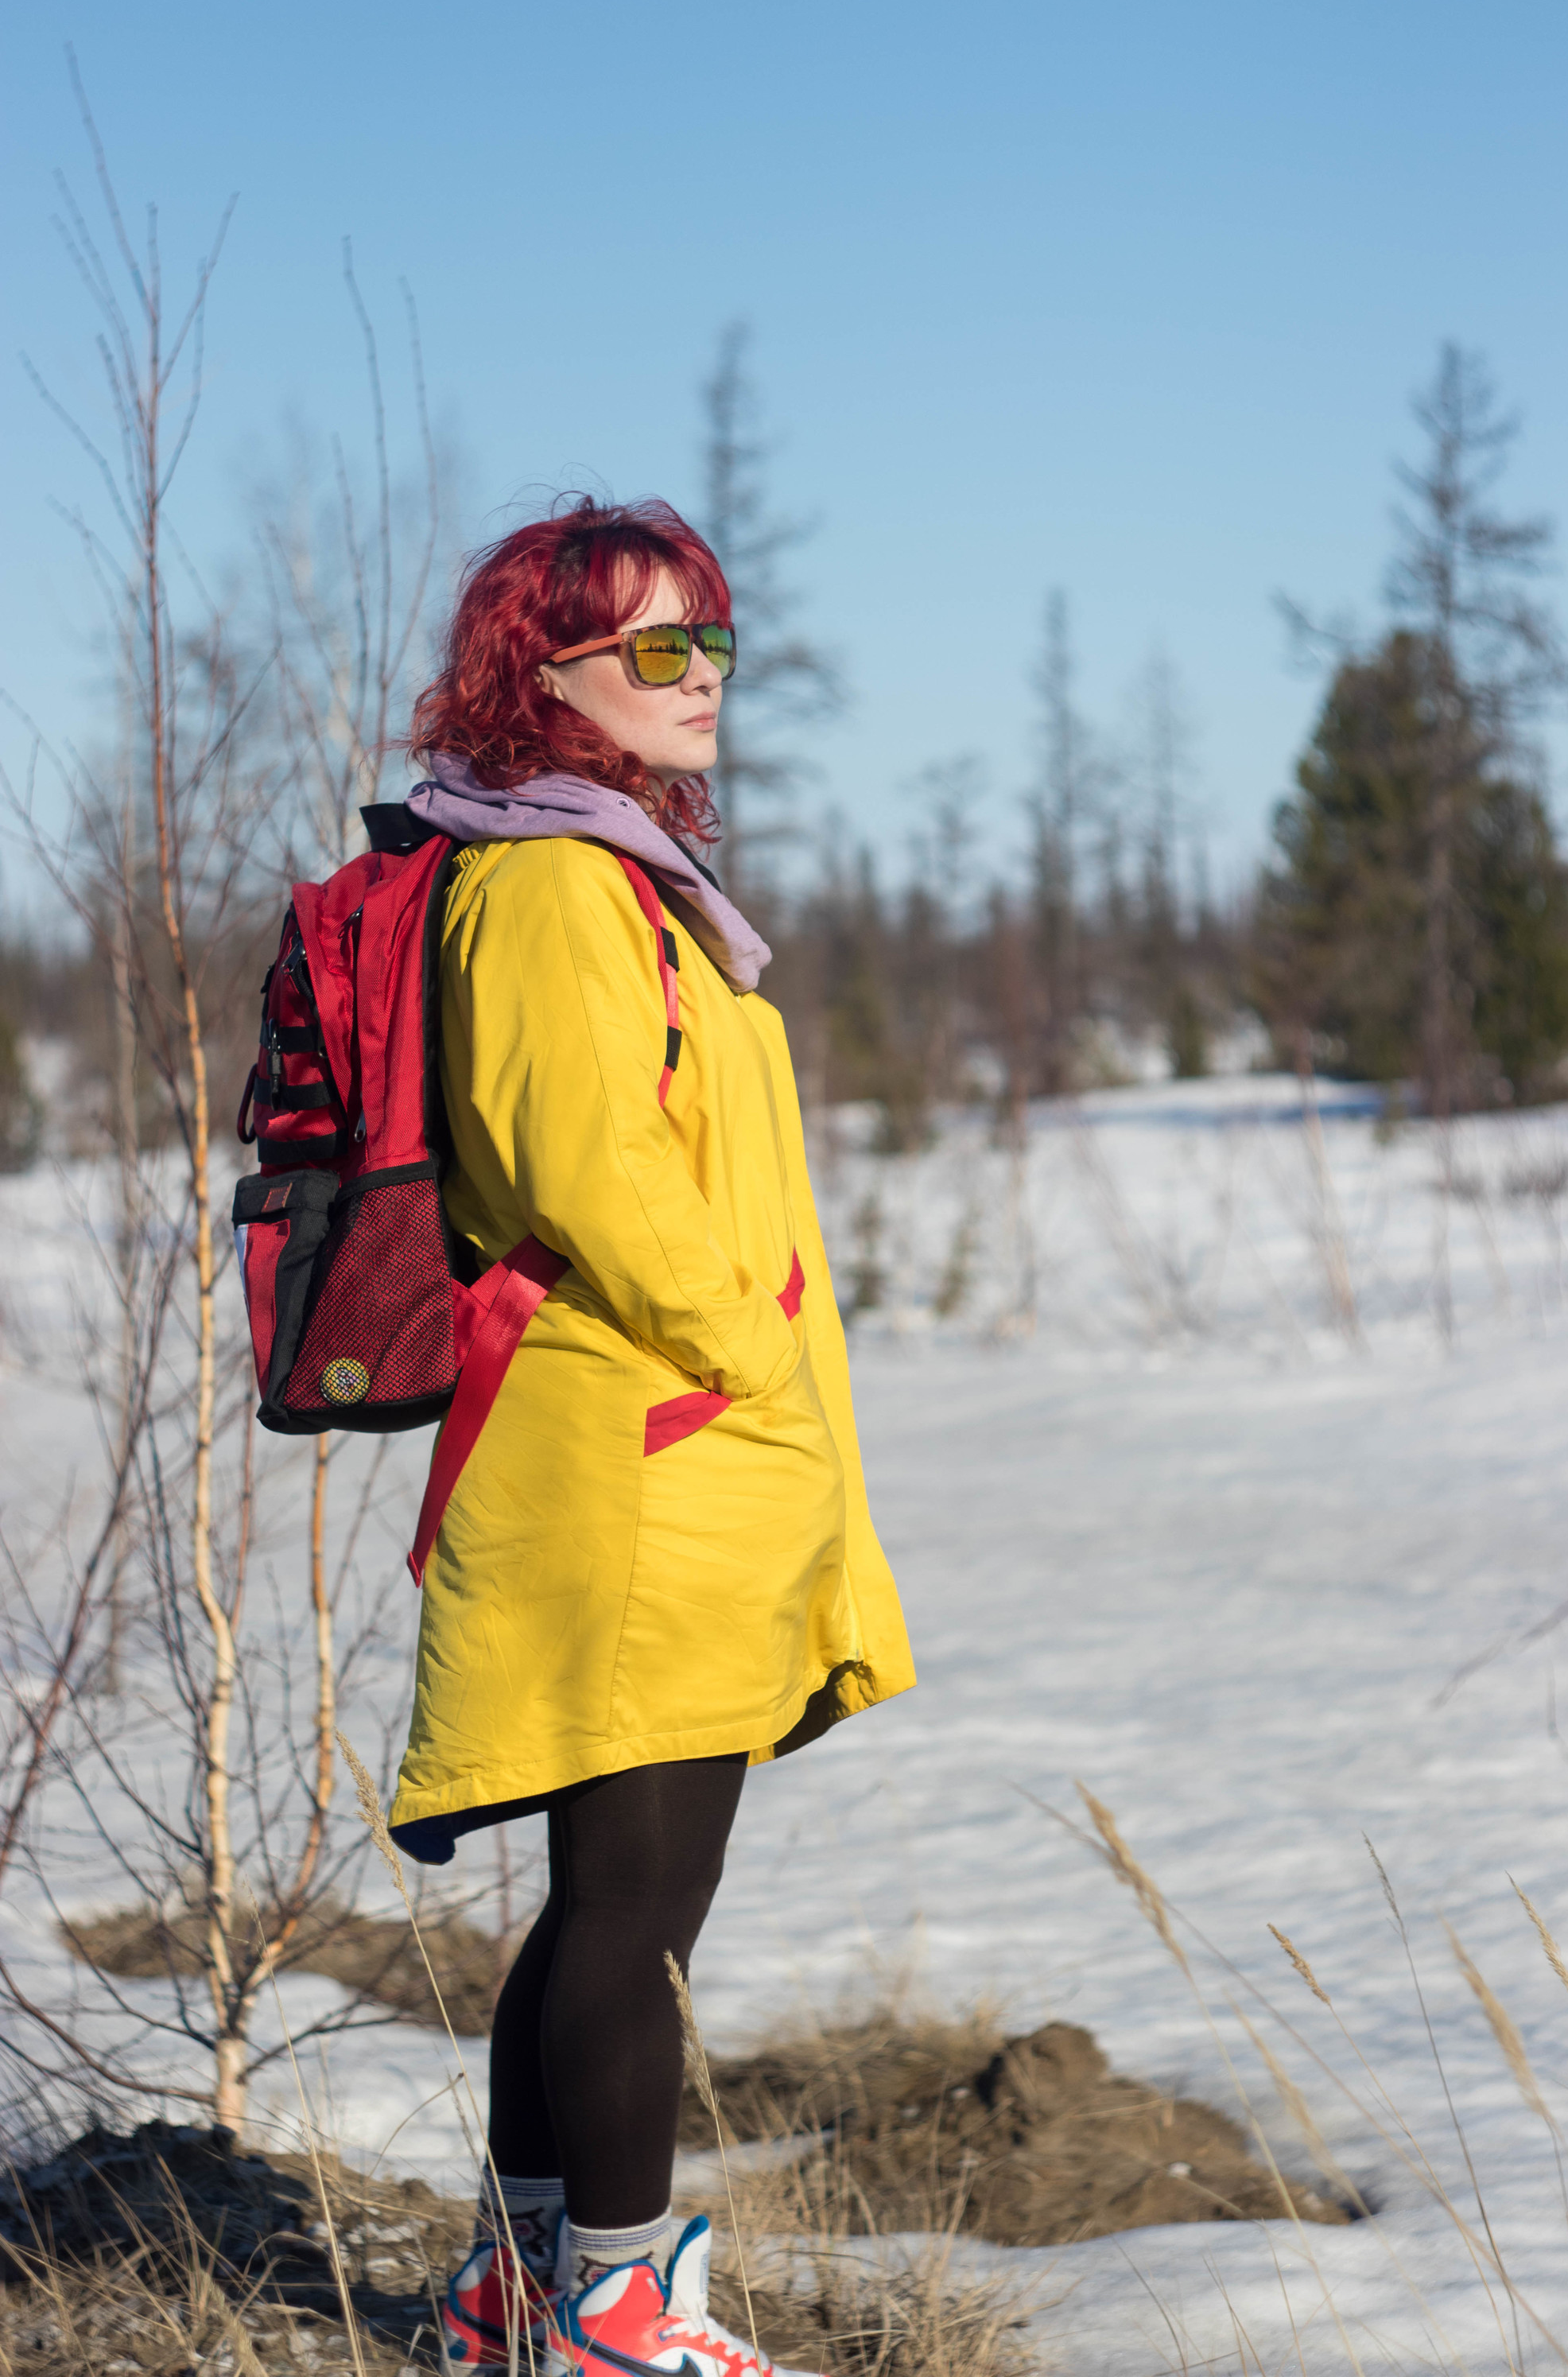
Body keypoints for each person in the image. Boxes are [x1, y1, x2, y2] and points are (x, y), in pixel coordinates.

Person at [386, 497, 915, 2374]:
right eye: (655, 649)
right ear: (542, 676)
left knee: (607, 1907)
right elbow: (577, 1160)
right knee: (641, 1916)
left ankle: (517, 2300)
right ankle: (613, 2312)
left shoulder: (608, 871)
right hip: (637, 1457)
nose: (703, 684)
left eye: (716, 644)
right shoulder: (542, 885)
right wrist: (741, 1346)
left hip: (660, 1449)